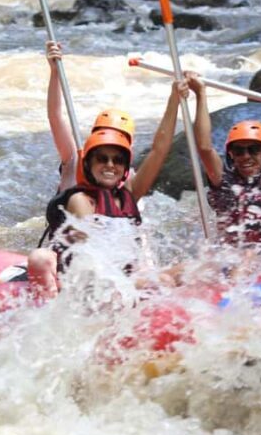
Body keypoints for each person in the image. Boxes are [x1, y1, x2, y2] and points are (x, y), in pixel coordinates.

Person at [28, 81, 182, 298]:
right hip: (91, 283)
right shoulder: (80, 199)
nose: (110, 165)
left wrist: (174, 98)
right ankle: (48, 304)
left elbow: (159, 150)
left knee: (186, 270)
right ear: (88, 163)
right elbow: (92, 245)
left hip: (121, 278)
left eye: (118, 160)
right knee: (39, 257)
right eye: (102, 158)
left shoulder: (130, 193)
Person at [181, 73, 261, 253]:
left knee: (249, 255)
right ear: (231, 155)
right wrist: (200, 94)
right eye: (238, 151)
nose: (245, 156)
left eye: (253, 150)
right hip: (231, 258)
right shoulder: (225, 182)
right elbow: (204, 147)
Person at [44, 41, 136, 193]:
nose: (110, 164)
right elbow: (55, 116)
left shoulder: (127, 177)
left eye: (117, 157)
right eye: (101, 156)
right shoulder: (75, 159)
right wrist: (55, 72)